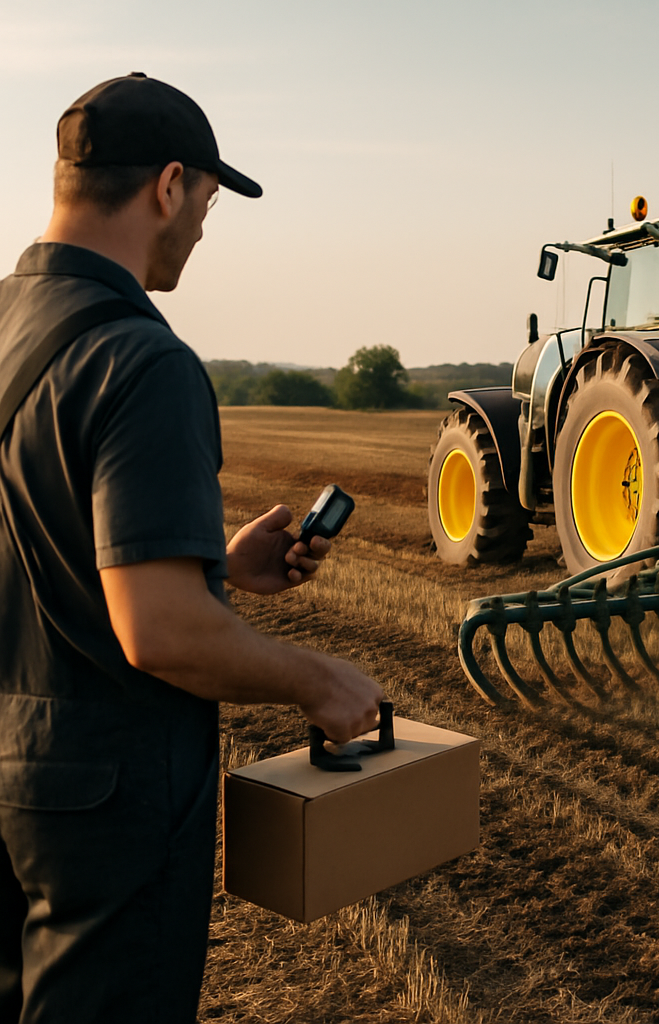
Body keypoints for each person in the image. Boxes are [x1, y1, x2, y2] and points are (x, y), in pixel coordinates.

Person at [0, 73, 383, 1023]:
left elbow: (38, 540)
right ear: (169, 185)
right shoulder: (142, 360)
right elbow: (160, 634)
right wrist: (317, 680)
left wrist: (208, 565)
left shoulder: (9, 326)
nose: (205, 228)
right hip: (100, 811)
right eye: (209, 201)